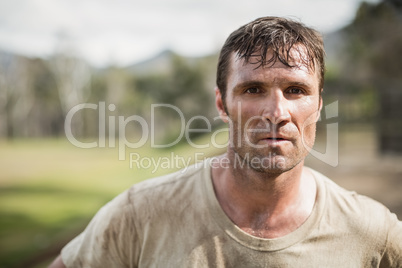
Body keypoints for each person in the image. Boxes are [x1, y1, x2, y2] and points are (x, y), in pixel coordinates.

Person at [49, 16, 402, 267]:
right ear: (222, 104)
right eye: (253, 89)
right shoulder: (139, 214)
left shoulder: (373, 232)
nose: (277, 111)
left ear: (320, 103)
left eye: (296, 90)